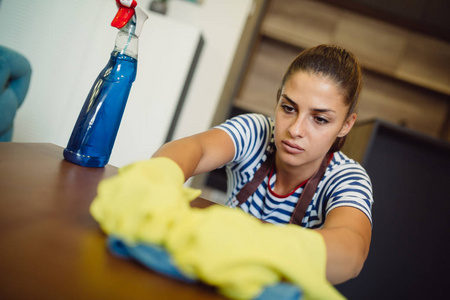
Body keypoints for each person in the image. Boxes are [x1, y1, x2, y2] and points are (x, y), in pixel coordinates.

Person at [152, 44, 373, 285]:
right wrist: (158, 180)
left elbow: (352, 253)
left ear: (346, 125)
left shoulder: (347, 178)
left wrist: (255, 244)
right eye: (288, 108)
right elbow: (196, 149)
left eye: (320, 119)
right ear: (278, 100)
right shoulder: (255, 131)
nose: (295, 130)